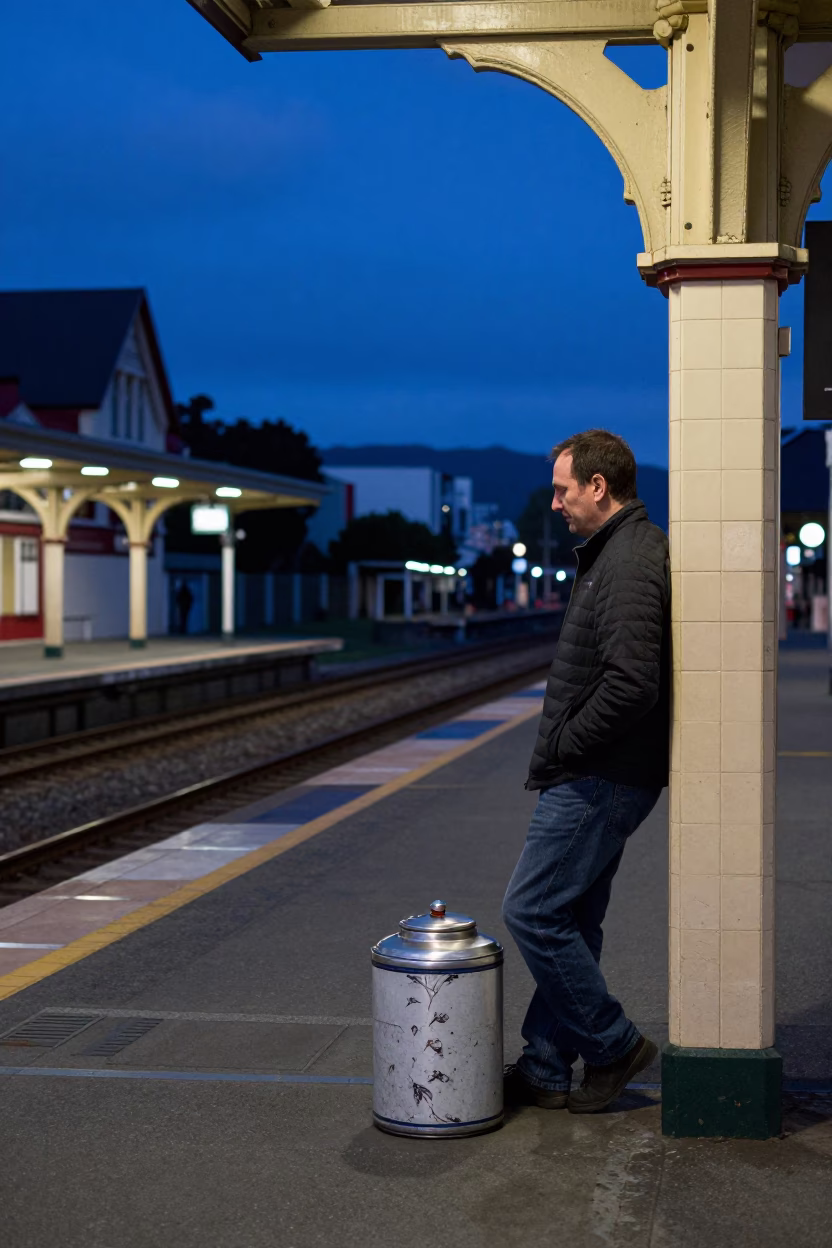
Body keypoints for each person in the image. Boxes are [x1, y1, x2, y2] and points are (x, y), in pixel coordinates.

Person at [503, 429, 670, 1114]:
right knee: (574, 916)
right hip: (604, 770)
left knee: (533, 909)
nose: (556, 502)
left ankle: (611, 1042)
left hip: (600, 773)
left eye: (564, 489)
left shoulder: (629, 560)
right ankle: (545, 1064)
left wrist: (569, 741)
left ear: (599, 487)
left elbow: (632, 683)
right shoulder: (613, 551)